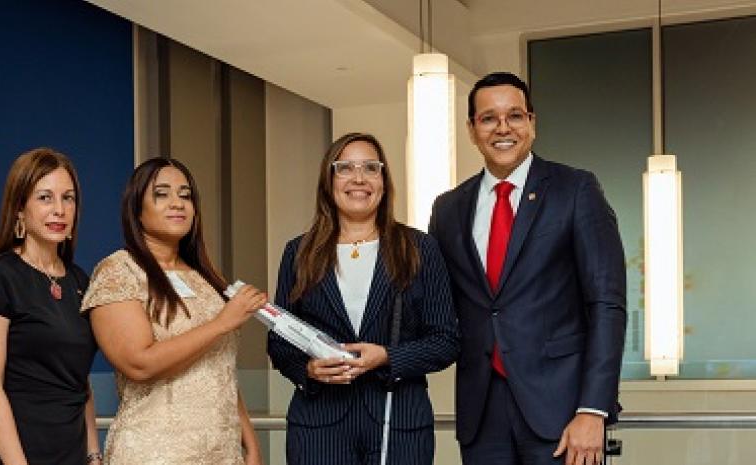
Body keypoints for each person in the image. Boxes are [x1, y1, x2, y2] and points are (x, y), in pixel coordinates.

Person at [428, 72, 627, 465]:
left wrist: (593, 409)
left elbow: (607, 303)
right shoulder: (448, 208)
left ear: (532, 124)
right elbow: (433, 301)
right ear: (471, 129)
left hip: (564, 412)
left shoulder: (576, 190)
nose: (503, 128)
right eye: (488, 118)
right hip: (481, 413)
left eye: (515, 116)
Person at [267, 132, 459, 465]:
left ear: (383, 181)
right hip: (318, 425)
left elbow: (446, 341)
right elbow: (280, 342)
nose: (359, 178)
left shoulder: (419, 248)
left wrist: (386, 356)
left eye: (371, 168)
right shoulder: (298, 253)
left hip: (398, 423)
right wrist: (309, 369)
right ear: (329, 181)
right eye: (346, 168)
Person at [82, 157, 265, 465]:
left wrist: (250, 444)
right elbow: (139, 364)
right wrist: (222, 323)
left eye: (185, 194)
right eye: (162, 193)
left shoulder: (205, 278)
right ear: (137, 210)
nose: (177, 203)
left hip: (223, 453)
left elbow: (220, 371)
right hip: (155, 452)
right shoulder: (119, 271)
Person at [0, 148, 101, 465]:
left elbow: (79, 381)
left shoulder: (80, 281)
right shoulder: (0, 276)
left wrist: (94, 455)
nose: (59, 210)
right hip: (13, 455)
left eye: (68, 198)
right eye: (45, 198)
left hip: (70, 453)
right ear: (19, 208)